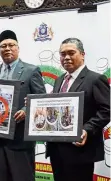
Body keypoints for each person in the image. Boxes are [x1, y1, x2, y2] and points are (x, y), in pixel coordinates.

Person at [46, 38, 110, 181]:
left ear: (82, 54)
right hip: (56, 150)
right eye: (63, 54)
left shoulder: (96, 79)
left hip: (80, 151)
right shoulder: (59, 79)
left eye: (71, 53)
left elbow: (106, 110)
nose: (66, 57)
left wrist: (86, 129)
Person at [0, 30, 46, 181]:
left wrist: (26, 110)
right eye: (3, 46)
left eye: (11, 45)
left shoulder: (31, 71)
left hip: (19, 140)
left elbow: (42, 99)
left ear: (18, 48)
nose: (7, 48)